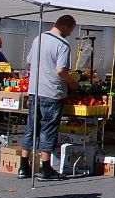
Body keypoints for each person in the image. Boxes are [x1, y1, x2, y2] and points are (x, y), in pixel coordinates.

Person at [19, 15, 77, 180]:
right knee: (48, 129)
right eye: (71, 30)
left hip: (35, 90)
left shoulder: (39, 37)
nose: (70, 34)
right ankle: (45, 168)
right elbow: (61, 70)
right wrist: (72, 83)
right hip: (52, 92)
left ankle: (24, 165)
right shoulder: (63, 44)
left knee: (32, 127)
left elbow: (30, 61)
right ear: (65, 27)